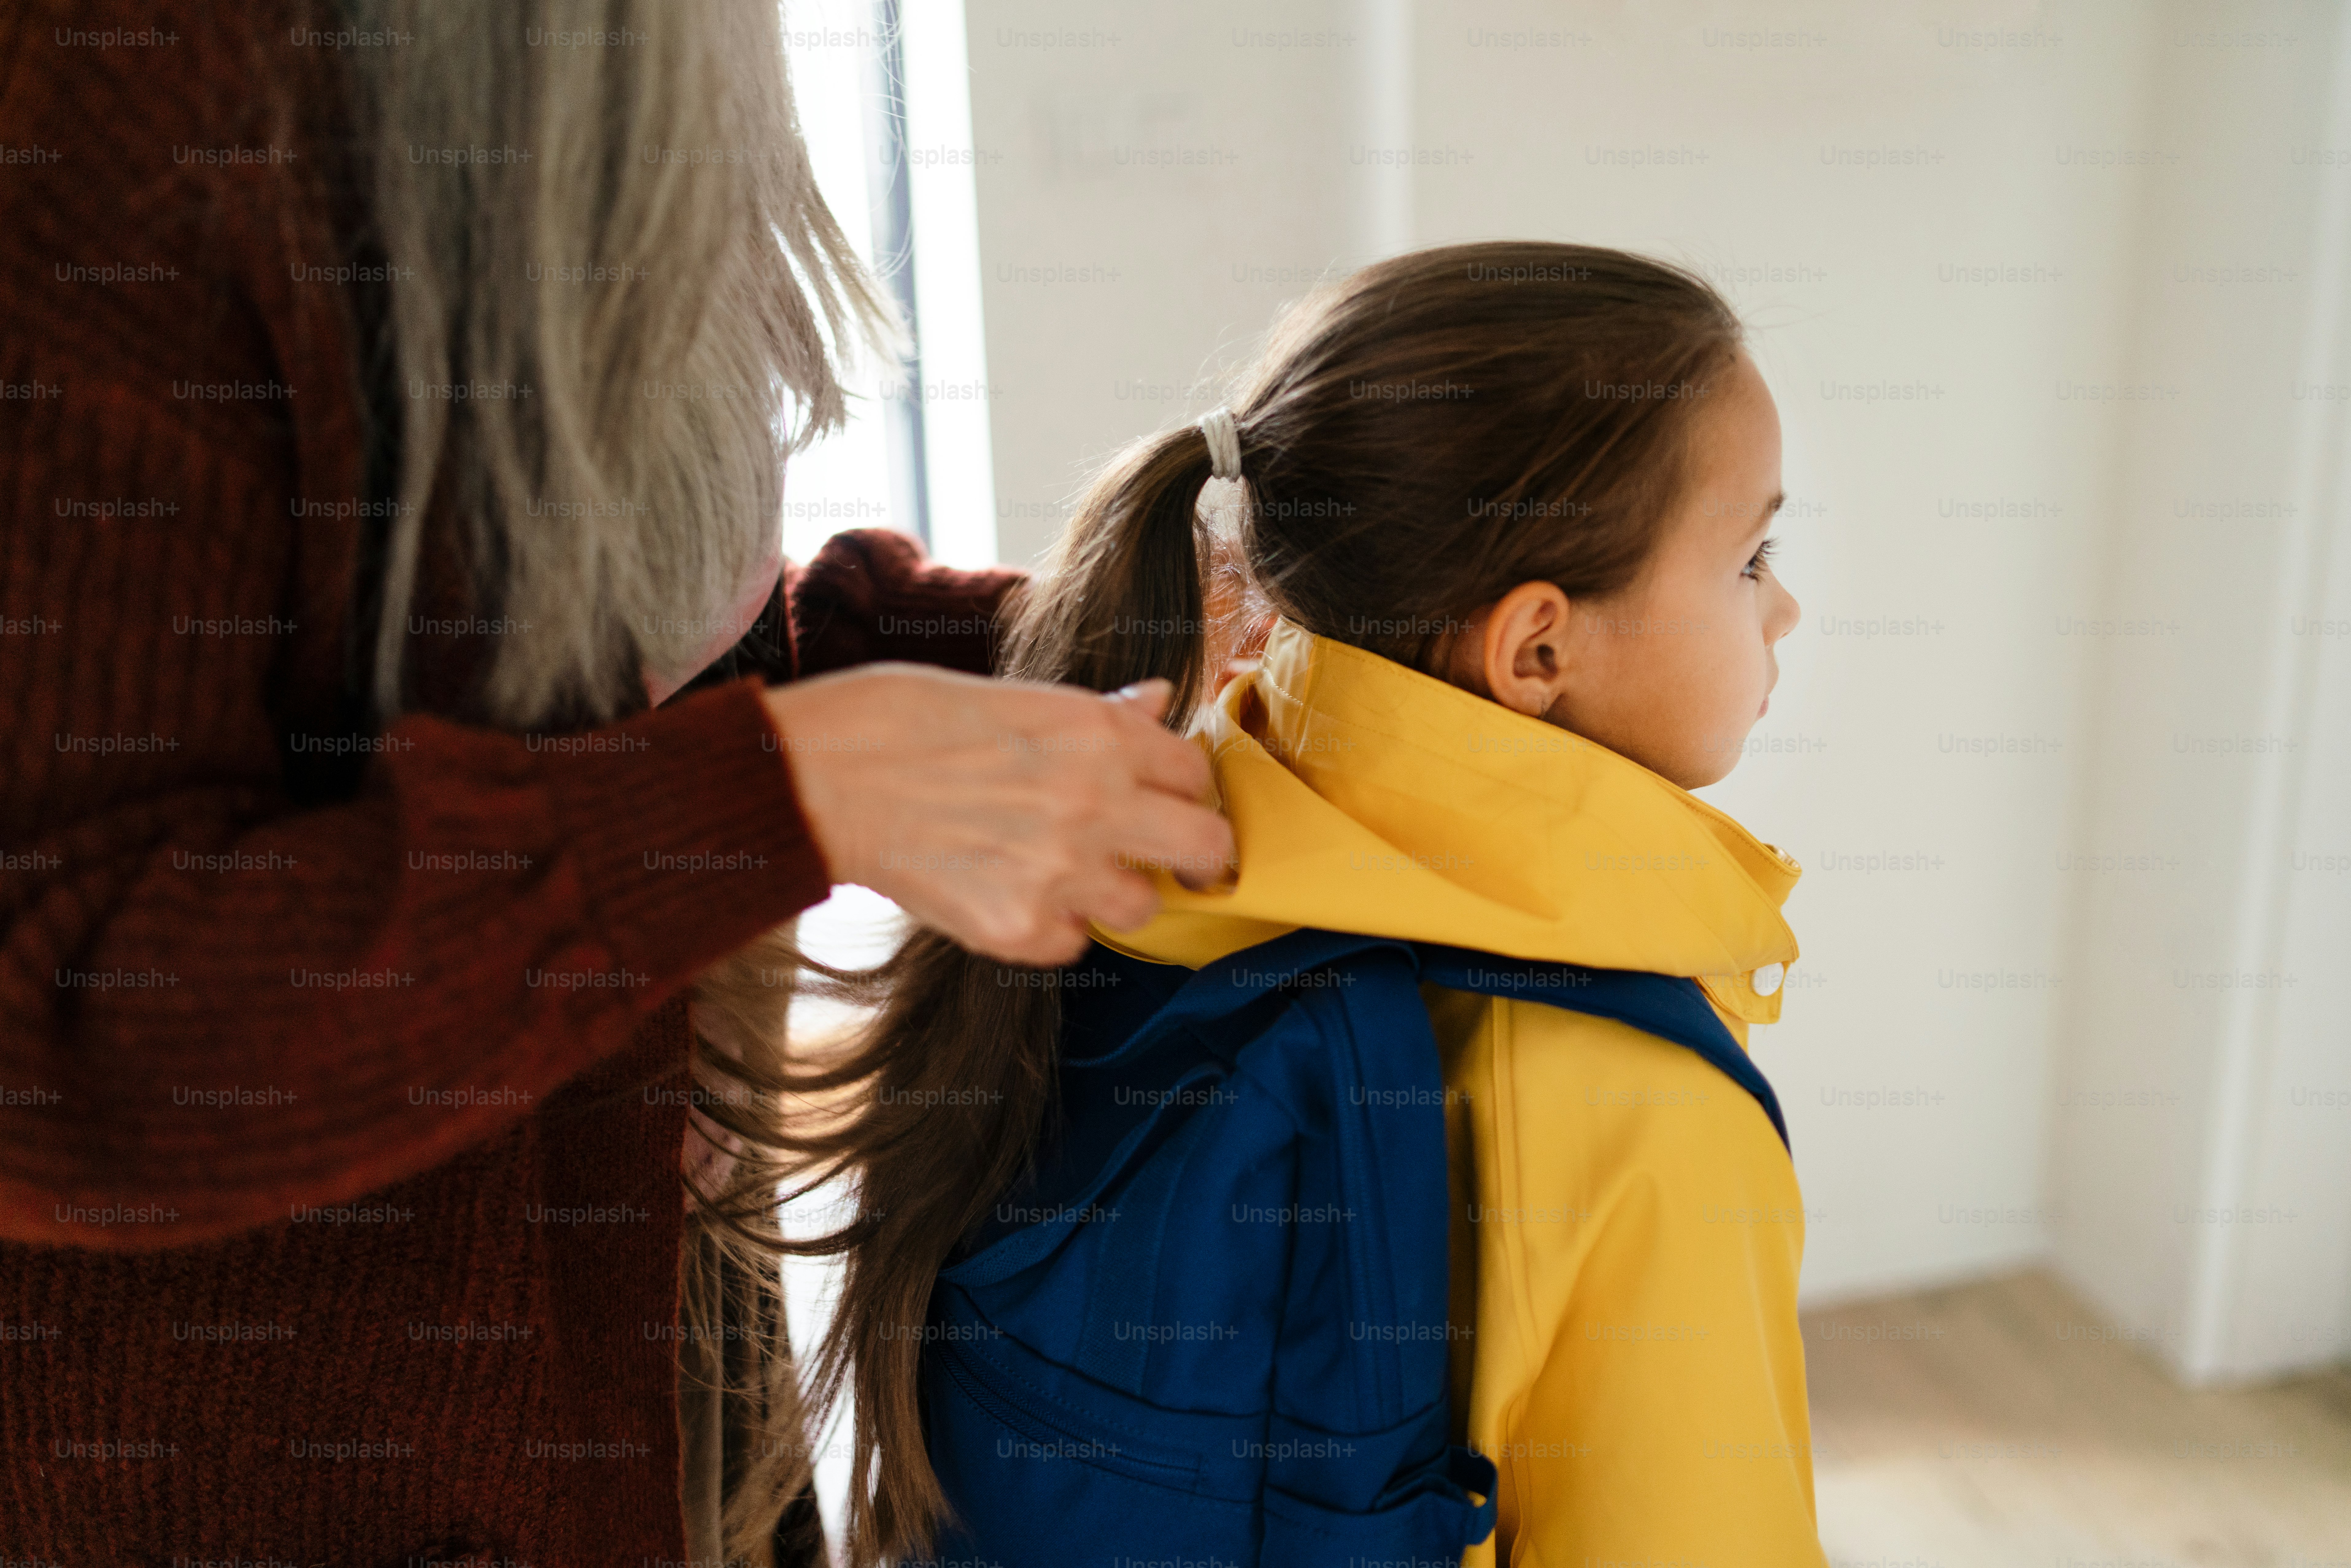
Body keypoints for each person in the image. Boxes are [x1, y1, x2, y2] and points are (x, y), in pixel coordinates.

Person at [0, 2, 1229, 1563]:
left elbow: (610, 658)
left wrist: (1059, 649)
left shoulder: (634, 58)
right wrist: (769, 802)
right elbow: (52, 1048)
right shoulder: (118, 113)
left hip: (622, 1362)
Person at [802, 242, 1826, 1566]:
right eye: (1750, 558)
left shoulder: (1133, 853)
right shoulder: (1647, 1122)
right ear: (1537, 649)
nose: (1784, 609)